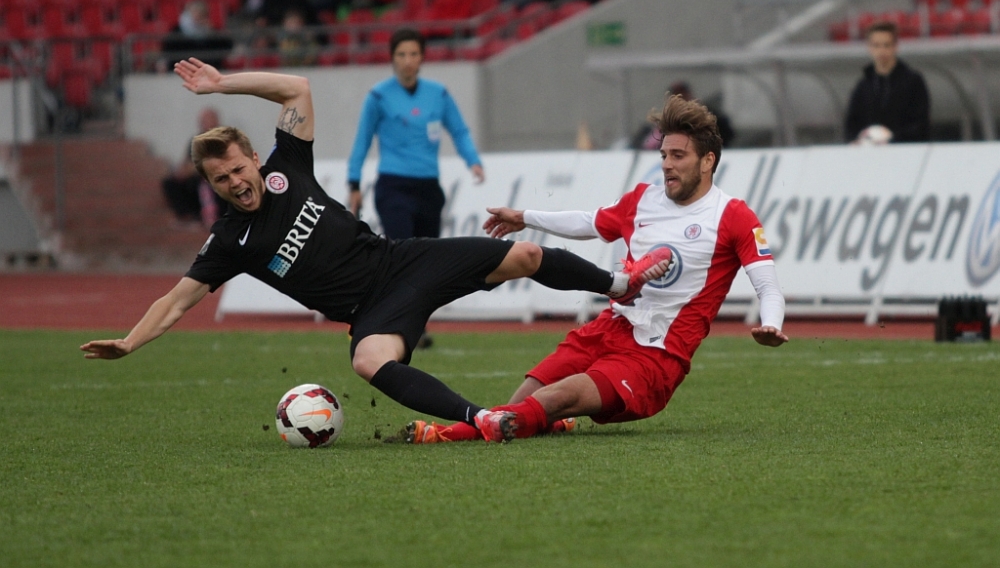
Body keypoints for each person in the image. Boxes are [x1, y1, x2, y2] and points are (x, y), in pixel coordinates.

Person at [82, 57, 671, 442]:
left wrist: (220, 84)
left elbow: (297, 88)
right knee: (366, 360)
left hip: (402, 261)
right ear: (210, 187)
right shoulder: (228, 242)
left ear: (255, 159)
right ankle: (483, 418)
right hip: (372, 311)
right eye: (221, 180)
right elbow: (176, 301)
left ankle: (621, 284)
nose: (236, 183)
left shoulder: (288, 166)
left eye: (239, 169)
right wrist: (130, 341)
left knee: (525, 257)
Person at [405, 94, 789, 444]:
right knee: (524, 400)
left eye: (678, 156)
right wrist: (524, 217)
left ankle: (443, 434)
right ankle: (551, 424)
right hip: (607, 329)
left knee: (553, 399)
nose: (667, 165)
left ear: (708, 161)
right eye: (664, 155)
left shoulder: (732, 216)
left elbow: (768, 287)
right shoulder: (644, 199)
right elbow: (589, 222)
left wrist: (771, 324)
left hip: (655, 356)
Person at [347, 28, 481, 238]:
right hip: (393, 185)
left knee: (427, 252)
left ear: (422, 57)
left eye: (413, 54)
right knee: (401, 249)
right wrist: (354, 183)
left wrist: (473, 161)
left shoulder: (439, 93)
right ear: (392, 57)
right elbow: (363, 140)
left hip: (429, 185)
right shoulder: (378, 96)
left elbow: (459, 131)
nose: (407, 61)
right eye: (401, 54)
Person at [844, 20, 931, 145]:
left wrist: (892, 139)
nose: (882, 50)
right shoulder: (863, 86)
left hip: (905, 150)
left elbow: (921, 124)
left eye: (886, 45)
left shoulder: (913, 81)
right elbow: (851, 124)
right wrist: (857, 140)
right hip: (870, 152)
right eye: (876, 45)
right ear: (869, 48)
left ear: (895, 47)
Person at [161, 106, 229, 228]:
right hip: (197, 176)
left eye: (209, 120)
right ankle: (187, 215)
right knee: (171, 182)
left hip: (217, 177)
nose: (206, 124)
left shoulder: (226, 139)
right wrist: (182, 171)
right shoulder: (196, 141)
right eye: (204, 121)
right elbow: (188, 161)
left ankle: (213, 216)